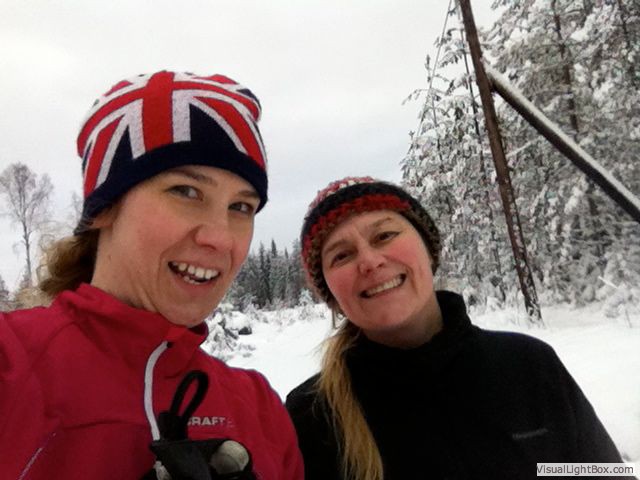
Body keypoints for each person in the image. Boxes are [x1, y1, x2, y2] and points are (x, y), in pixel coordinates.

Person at [0, 70, 303, 480]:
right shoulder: (11, 366)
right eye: (186, 191)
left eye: (241, 207)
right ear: (106, 207)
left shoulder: (259, 409)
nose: (220, 238)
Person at [285, 176, 631, 480]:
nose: (370, 261)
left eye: (384, 235)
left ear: (428, 248)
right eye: (341, 255)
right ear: (330, 292)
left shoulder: (528, 364)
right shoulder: (310, 416)